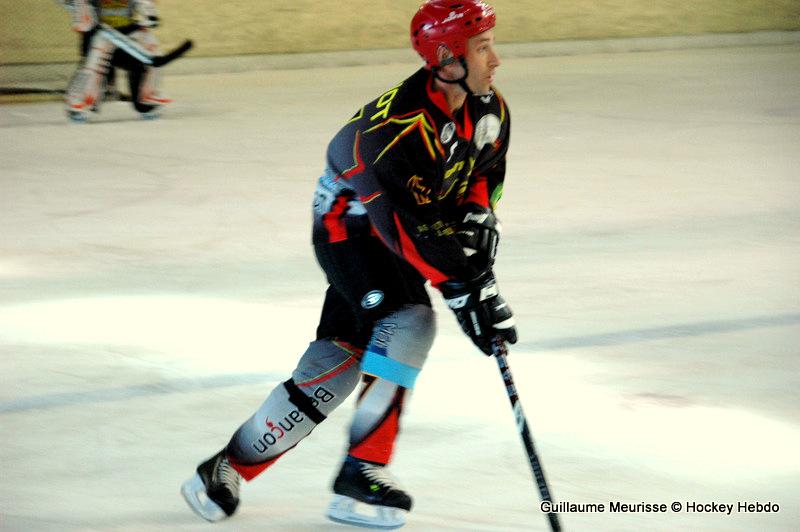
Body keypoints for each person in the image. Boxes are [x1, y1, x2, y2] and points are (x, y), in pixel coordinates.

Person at [181, 0, 516, 528]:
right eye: (481, 48)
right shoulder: (396, 131)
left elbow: (484, 168)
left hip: (400, 226)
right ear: (446, 58)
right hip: (352, 233)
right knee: (409, 320)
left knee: (334, 368)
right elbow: (408, 231)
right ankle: (362, 471)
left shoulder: (487, 109)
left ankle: (223, 469)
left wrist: (477, 215)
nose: (495, 59)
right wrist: (467, 287)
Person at [64, 0, 170, 122]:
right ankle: (80, 104)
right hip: (101, 33)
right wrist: (86, 22)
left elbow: (143, 3)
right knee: (93, 63)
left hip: (127, 32)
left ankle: (146, 99)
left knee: (151, 49)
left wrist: (150, 15)